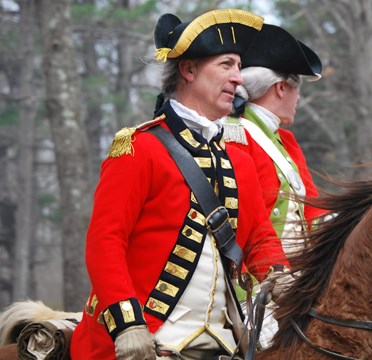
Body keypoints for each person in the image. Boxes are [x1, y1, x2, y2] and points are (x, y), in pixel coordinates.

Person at [70, 9, 289, 360]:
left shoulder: (239, 159)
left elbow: (260, 238)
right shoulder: (139, 148)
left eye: (239, 66)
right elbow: (105, 240)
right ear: (188, 70)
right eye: (226, 64)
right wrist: (128, 325)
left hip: (223, 341)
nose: (238, 79)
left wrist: (281, 278)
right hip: (147, 339)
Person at [223, 24, 326, 258]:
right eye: (297, 88)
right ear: (280, 88)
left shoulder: (286, 141)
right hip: (258, 275)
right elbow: (240, 222)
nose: (298, 97)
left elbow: (311, 206)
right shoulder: (234, 135)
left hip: (299, 272)